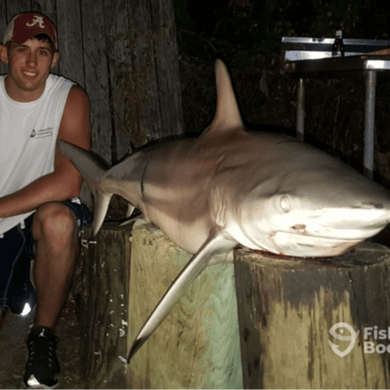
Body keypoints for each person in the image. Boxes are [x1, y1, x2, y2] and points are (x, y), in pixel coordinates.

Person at [0, 11, 92, 389]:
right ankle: (20, 293)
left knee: (59, 220)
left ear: (54, 58)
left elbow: (69, 179)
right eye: (22, 49)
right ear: (4, 54)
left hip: (38, 215)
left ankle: (42, 338)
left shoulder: (68, 97)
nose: (32, 61)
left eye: (42, 51)